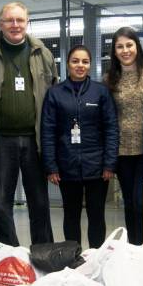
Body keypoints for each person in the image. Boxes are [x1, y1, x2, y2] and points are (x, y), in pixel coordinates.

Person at [0, 2, 57, 247]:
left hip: (35, 139)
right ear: (0, 24)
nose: (15, 25)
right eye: (9, 20)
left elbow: (52, 94)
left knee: (39, 202)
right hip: (0, 139)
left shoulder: (42, 53)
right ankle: (8, 254)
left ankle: (44, 252)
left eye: (20, 20)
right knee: (2, 203)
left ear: (27, 23)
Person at [41, 45, 118, 249]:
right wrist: (51, 166)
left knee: (97, 215)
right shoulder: (54, 94)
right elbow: (48, 132)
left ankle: (96, 256)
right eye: (75, 61)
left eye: (85, 61)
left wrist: (109, 164)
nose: (80, 65)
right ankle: (73, 256)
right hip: (66, 166)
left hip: (97, 167)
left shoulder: (101, 92)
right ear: (68, 64)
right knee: (71, 215)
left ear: (90, 65)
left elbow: (111, 128)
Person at [104, 27, 143, 245]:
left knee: (142, 203)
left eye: (129, 45)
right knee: (129, 203)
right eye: (120, 46)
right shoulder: (110, 79)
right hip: (122, 152)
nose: (125, 50)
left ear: (137, 46)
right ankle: (134, 248)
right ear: (114, 51)